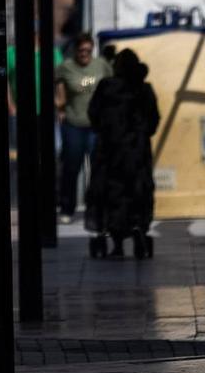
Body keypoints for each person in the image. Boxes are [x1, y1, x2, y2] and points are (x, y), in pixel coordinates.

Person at [87, 49, 161, 258]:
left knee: (110, 195)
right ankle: (139, 230)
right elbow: (154, 120)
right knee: (138, 193)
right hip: (137, 154)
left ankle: (116, 244)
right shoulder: (144, 89)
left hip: (109, 153)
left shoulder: (106, 87)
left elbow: (93, 114)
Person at [53, 34, 111, 221]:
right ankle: (67, 208)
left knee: (98, 168)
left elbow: (112, 85)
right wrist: (60, 105)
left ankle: (96, 208)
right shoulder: (66, 67)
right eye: (81, 50)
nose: (85, 54)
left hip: (96, 126)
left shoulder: (101, 66)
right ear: (76, 50)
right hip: (74, 124)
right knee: (71, 167)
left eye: (88, 50)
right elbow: (56, 84)